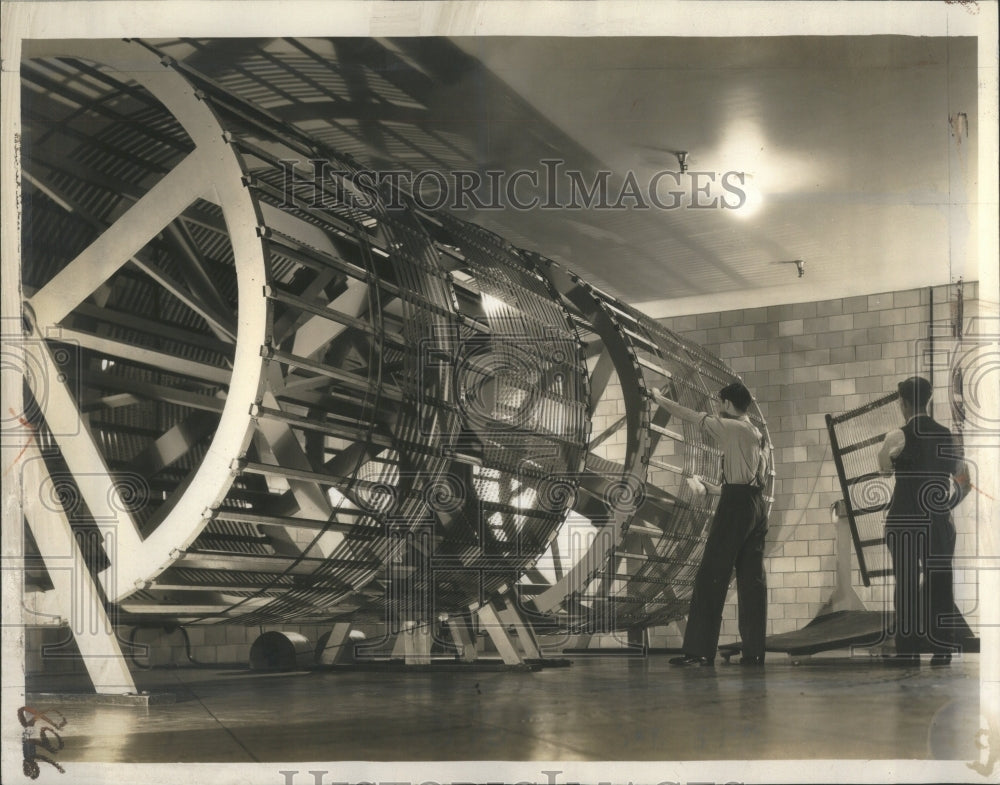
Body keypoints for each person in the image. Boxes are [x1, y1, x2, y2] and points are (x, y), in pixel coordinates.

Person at [654, 381, 771, 667]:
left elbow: (690, 415)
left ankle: (699, 652)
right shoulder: (756, 433)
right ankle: (754, 652)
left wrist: (658, 398)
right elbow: (755, 481)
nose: (719, 409)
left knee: (710, 577)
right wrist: (714, 488)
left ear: (728, 404)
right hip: (756, 507)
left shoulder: (730, 427)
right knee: (752, 580)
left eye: (721, 404)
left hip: (735, 509)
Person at [877, 376, 966, 665]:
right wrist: (946, 505)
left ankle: (908, 651)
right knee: (940, 582)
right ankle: (941, 651)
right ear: (928, 401)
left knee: (905, 585)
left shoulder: (896, 436)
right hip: (937, 522)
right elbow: (964, 482)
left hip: (903, 520)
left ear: (902, 403)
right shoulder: (947, 436)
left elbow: (883, 471)